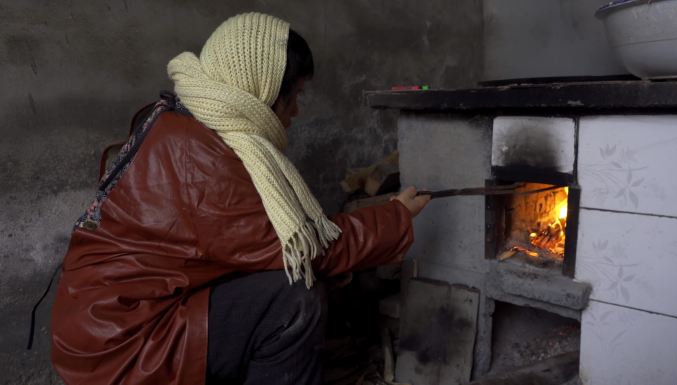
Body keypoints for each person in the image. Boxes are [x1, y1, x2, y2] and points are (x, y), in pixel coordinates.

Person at [50, 12, 430, 385]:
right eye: (294, 96)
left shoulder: (191, 120)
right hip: (122, 338)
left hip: (117, 314)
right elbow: (302, 250)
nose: (296, 111)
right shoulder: (200, 157)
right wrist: (394, 218)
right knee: (293, 299)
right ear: (260, 88)